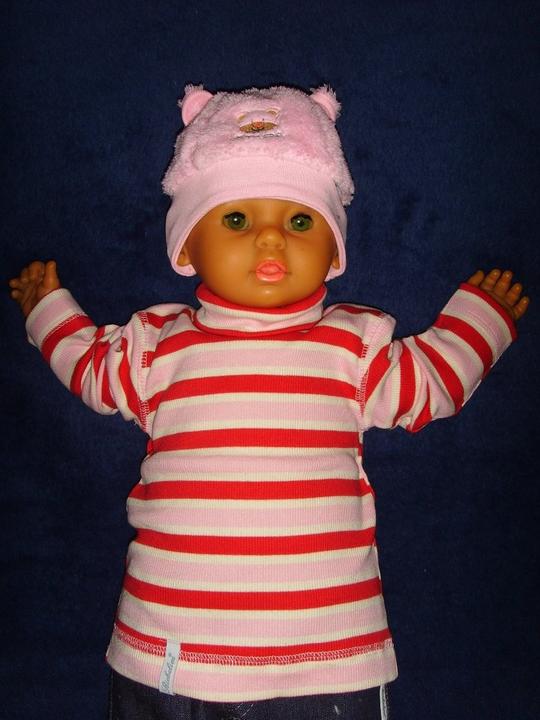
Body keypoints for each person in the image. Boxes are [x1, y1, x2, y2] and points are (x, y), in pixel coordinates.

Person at [9, 85, 529, 720]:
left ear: (334, 252)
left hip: (326, 661)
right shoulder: (154, 346)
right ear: (185, 246)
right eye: (236, 220)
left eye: (300, 221)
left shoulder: (353, 346)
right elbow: (90, 367)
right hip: (170, 651)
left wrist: (482, 320)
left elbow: (430, 383)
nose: (271, 240)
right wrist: (47, 310)